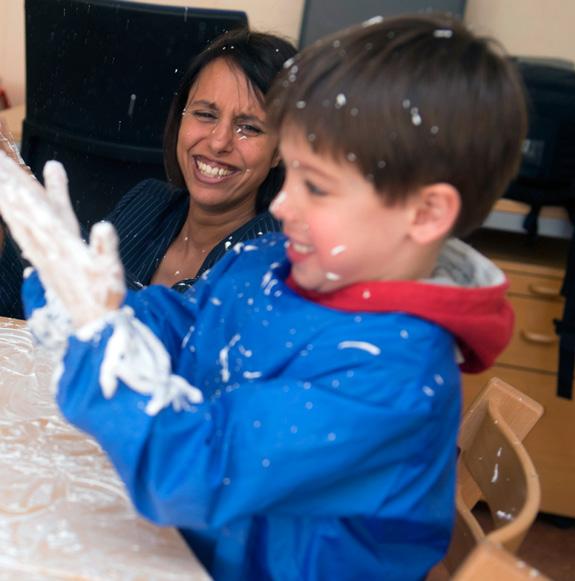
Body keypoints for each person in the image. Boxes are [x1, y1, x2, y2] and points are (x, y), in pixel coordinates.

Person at [0, 14, 527, 580]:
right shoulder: (284, 267)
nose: (283, 205)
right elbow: (187, 322)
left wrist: (100, 349)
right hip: (215, 545)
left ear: (425, 214)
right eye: (293, 173)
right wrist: (92, 302)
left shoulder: (388, 375)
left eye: (316, 186)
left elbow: (195, 471)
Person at [0, 28, 297, 318]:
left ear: (280, 150)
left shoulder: (269, 255)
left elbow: (161, 339)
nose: (219, 141)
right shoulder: (149, 201)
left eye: (249, 128)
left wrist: (40, 212)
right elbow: (45, 310)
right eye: (205, 114)